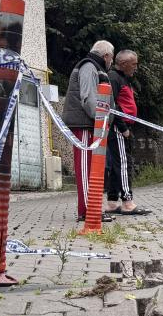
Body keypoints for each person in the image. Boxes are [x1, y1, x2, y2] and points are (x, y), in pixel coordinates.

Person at [61, 40, 114, 222]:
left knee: (93, 168)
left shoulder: (94, 67)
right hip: (84, 124)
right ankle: (87, 210)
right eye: (111, 58)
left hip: (91, 124)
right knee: (85, 167)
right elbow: (88, 97)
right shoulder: (89, 66)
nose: (111, 62)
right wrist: (101, 121)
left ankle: (93, 207)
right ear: (105, 56)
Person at [105, 50, 152, 215]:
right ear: (123, 64)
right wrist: (123, 128)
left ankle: (112, 203)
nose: (136, 68)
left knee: (118, 165)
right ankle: (127, 202)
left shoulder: (123, 78)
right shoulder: (113, 77)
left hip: (123, 127)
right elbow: (112, 105)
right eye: (134, 64)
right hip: (118, 128)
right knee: (124, 164)